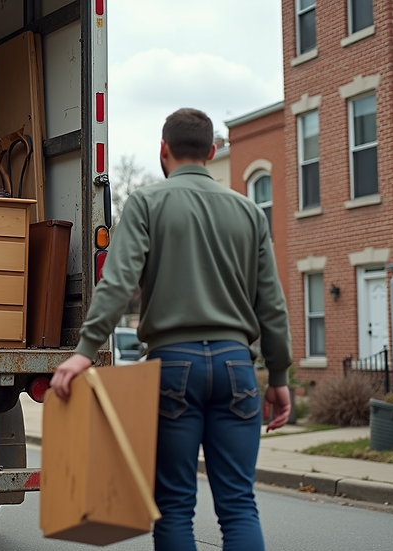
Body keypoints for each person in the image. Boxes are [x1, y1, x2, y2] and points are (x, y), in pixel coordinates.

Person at [50, 108, 292, 551]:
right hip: (237, 367)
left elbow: (118, 281)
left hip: (173, 367)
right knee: (239, 505)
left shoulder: (146, 203)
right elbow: (272, 306)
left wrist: (85, 349)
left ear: (163, 150)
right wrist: (278, 377)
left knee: (175, 506)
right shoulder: (250, 213)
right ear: (212, 151)